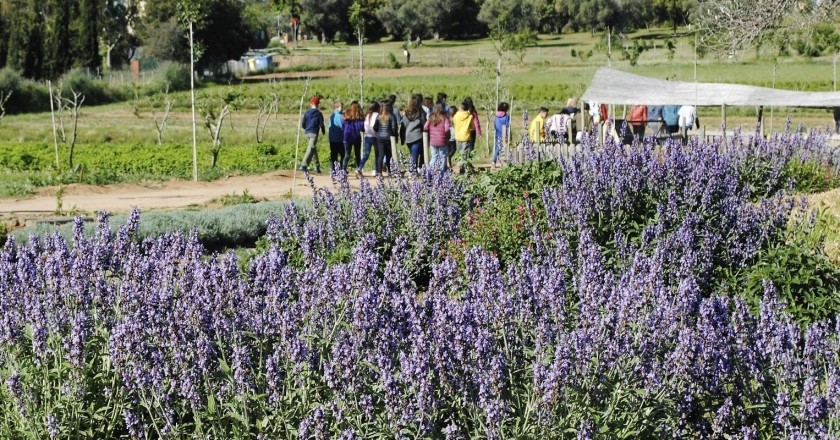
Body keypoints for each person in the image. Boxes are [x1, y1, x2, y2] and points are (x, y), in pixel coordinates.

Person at [401, 95, 427, 173]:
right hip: (417, 136)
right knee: (414, 155)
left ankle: (413, 170)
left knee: (412, 154)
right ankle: (413, 171)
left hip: (408, 137)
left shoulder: (406, 113)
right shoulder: (421, 112)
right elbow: (424, 124)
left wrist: (402, 138)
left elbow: (403, 126)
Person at [300, 96, 325, 173]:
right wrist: (323, 131)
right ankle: (304, 165)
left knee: (312, 149)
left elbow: (303, 124)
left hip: (307, 132)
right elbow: (321, 124)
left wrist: (306, 128)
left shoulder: (307, 112)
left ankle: (317, 167)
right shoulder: (319, 113)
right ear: (318, 104)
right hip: (314, 133)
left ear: (311, 104)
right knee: (310, 149)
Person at [373, 100, 398, 176]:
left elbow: (375, 127)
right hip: (389, 138)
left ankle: (379, 172)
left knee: (381, 155)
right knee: (389, 155)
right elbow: (394, 128)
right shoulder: (391, 115)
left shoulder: (379, 116)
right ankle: (390, 171)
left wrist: (379, 132)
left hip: (380, 138)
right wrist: (394, 135)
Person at [356, 101, 380, 178]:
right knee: (377, 154)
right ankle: (375, 170)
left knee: (366, 154)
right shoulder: (377, 115)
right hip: (376, 137)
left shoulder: (367, 115)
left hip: (367, 136)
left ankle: (359, 168)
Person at [424, 103, 450, 170]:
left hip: (433, 141)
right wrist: (447, 136)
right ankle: (442, 172)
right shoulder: (444, 117)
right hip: (442, 140)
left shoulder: (431, 117)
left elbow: (425, 127)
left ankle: (429, 170)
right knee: (443, 156)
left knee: (434, 156)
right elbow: (447, 129)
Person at [341, 101, 365, 172]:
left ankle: (343, 170)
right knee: (358, 155)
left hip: (347, 137)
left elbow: (343, 126)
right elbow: (362, 128)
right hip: (356, 137)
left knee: (347, 155)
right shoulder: (359, 118)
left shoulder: (346, 117)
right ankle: (359, 170)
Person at [452, 100, 475, 174]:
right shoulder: (470, 116)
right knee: (464, 153)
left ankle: (461, 167)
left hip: (458, 136)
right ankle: (463, 168)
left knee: (459, 153)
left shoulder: (456, 116)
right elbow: (472, 126)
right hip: (466, 136)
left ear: (460, 108)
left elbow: (454, 125)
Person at [327, 100, 344, 170]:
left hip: (332, 138)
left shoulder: (331, 116)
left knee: (333, 155)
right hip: (339, 138)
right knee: (343, 154)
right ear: (338, 107)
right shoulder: (339, 116)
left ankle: (333, 169)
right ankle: (342, 168)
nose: (342, 109)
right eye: (341, 107)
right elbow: (342, 126)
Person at [493, 102, 510, 168]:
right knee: (503, 149)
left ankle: (494, 161)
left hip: (497, 134)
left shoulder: (496, 116)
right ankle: (501, 162)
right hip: (504, 134)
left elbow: (494, 125)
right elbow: (507, 126)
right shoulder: (506, 117)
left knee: (497, 148)